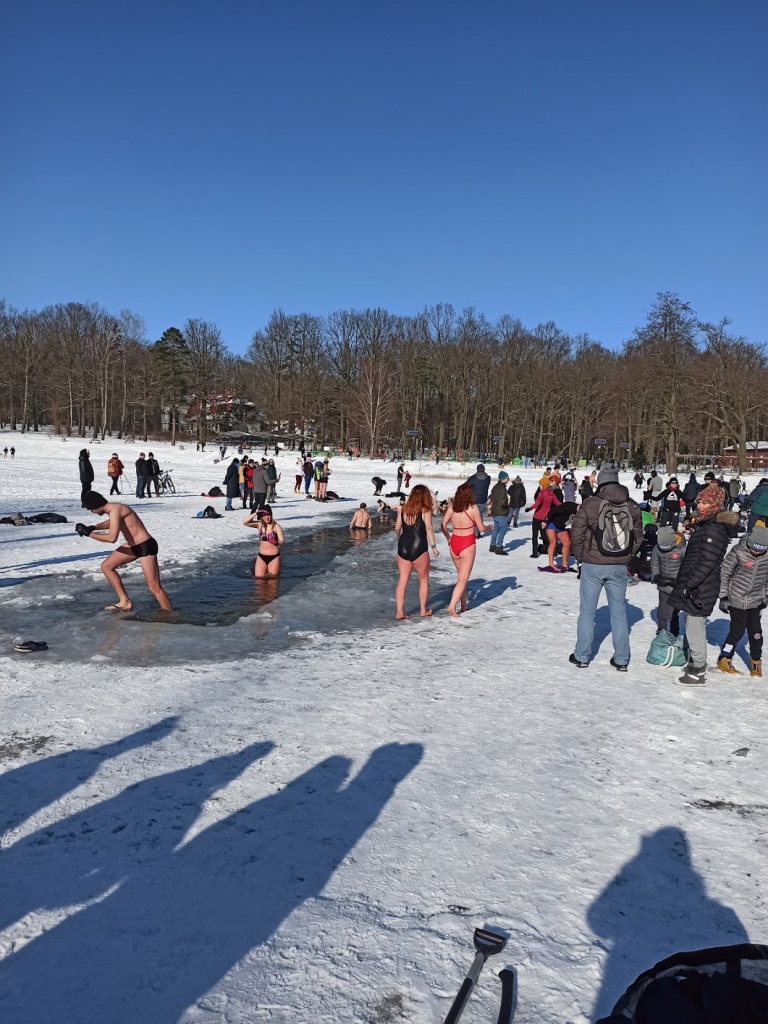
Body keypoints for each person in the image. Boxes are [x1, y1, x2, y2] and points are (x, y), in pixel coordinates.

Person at [569, 468, 644, 670]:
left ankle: (582, 656)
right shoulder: (632, 506)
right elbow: (638, 538)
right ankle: (621, 659)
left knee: (587, 612)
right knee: (619, 614)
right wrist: (626, 558)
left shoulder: (590, 504)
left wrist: (581, 558)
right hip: (619, 566)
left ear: (600, 483)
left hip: (593, 565)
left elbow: (576, 534)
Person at [670, 497, 740, 686]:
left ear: (715, 506)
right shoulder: (707, 525)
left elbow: (706, 563)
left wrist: (689, 585)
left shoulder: (714, 529)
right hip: (699, 584)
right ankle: (694, 663)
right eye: (699, 502)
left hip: (702, 586)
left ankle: (697, 671)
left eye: (704, 503)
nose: (699, 505)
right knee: (692, 623)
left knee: (694, 625)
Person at [77, 491, 172, 612]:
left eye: (92, 509)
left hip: (145, 546)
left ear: (96, 506)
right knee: (106, 566)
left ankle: (169, 614)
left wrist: (89, 534)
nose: (92, 512)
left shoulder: (116, 509)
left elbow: (112, 538)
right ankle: (125, 602)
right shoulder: (114, 510)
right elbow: (112, 522)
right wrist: (94, 527)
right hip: (132, 546)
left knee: (154, 588)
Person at [716, 523, 768, 678]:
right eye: (755, 548)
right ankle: (724, 658)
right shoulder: (738, 551)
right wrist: (724, 597)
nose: (757, 552)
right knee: (737, 630)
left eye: (761, 549)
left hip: (755, 599)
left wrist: (766, 595)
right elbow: (724, 573)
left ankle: (756, 661)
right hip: (736, 598)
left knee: (756, 632)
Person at [440, 482, 490, 618]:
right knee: (463, 577)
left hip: (454, 542)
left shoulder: (452, 508)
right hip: (467, 543)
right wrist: (490, 527)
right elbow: (481, 528)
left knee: (461, 576)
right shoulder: (473, 508)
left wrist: (448, 538)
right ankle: (452, 605)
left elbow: (443, 524)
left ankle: (463, 605)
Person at [394, 484, 439, 619]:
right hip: (419, 546)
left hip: (403, 546)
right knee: (423, 580)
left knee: (402, 580)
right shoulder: (425, 510)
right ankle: (423, 610)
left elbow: (397, 528)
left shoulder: (403, 509)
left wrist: (400, 540)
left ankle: (399, 612)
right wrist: (433, 547)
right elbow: (429, 528)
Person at [650, 525, 686, 636]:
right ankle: (661, 629)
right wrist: (656, 576)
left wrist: (680, 580)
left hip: (676, 585)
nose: (664, 549)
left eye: (667, 546)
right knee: (662, 610)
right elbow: (654, 563)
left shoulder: (682, 549)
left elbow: (686, 566)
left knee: (672, 612)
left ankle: (674, 631)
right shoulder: (657, 549)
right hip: (663, 584)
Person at [243, 505, 284, 578]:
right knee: (259, 579)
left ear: (271, 515)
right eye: (264, 515)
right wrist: (256, 513)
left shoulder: (276, 526)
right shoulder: (259, 525)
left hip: (274, 557)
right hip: (261, 556)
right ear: (261, 516)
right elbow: (245, 522)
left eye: (268, 515)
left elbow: (282, 541)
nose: (267, 517)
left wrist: (277, 542)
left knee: (272, 580)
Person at [525, 476, 561, 559]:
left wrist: (529, 509)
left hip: (537, 517)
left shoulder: (542, 493)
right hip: (545, 518)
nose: (539, 486)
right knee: (545, 535)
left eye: (540, 484)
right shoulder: (551, 494)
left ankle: (535, 552)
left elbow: (537, 503)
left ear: (543, 485)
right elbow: (558, 503)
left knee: (535, 535)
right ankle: (552, 551)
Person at [543, 498, 578, 572]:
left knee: (567, 543)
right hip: (552, 524)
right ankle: (551, 565)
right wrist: (545, 521)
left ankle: (564, 564)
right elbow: (553, 510)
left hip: (561, 527)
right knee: (553, 543)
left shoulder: (581, 515)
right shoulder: (570, 506)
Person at [489, 471, 511, 554]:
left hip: (495, 511)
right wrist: (507, 505)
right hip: (501, 512)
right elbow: (503, 501)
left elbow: (491, 496)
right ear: (504, 479)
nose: (508, 480)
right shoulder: (502, 488)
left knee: (496, 529)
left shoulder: (495, 487)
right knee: (503, 529)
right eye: (507, 478)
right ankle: (498, 546)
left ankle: (492, 545)